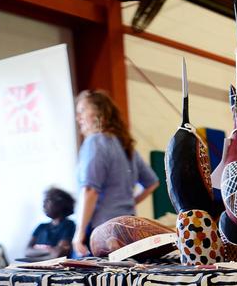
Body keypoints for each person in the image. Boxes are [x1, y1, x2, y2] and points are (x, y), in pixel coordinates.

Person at [72, 90, 159, 257]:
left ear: (99, 112)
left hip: (102, 233)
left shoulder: (95, 142)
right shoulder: (125, 146)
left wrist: (79, 232)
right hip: (128, 228)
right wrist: (129, 202)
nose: (79, 117)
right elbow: (153, 183)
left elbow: (90, 190)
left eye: (82, 110)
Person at [25, 187, 76, 259]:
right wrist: (50, 250)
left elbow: (59, 254)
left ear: (60, 203)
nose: (44, 205)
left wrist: (37, 251)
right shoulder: (41, 227)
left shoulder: (69, 225)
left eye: (47, 201)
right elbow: (27, 251)